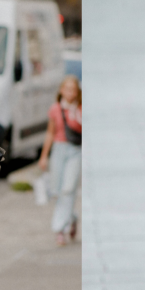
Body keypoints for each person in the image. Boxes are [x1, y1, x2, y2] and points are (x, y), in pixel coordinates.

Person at [38, 76, 82, 245]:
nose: (70, 92)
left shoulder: (79, 109)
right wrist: (44, 156)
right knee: (57, 190)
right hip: (58, 149)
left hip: (75, 151)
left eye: (73, 89)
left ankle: (60, 229)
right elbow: (50, 133)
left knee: (68, 188)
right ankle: (71, 217)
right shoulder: (55, 109)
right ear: (61, 90)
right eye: (67, 88)